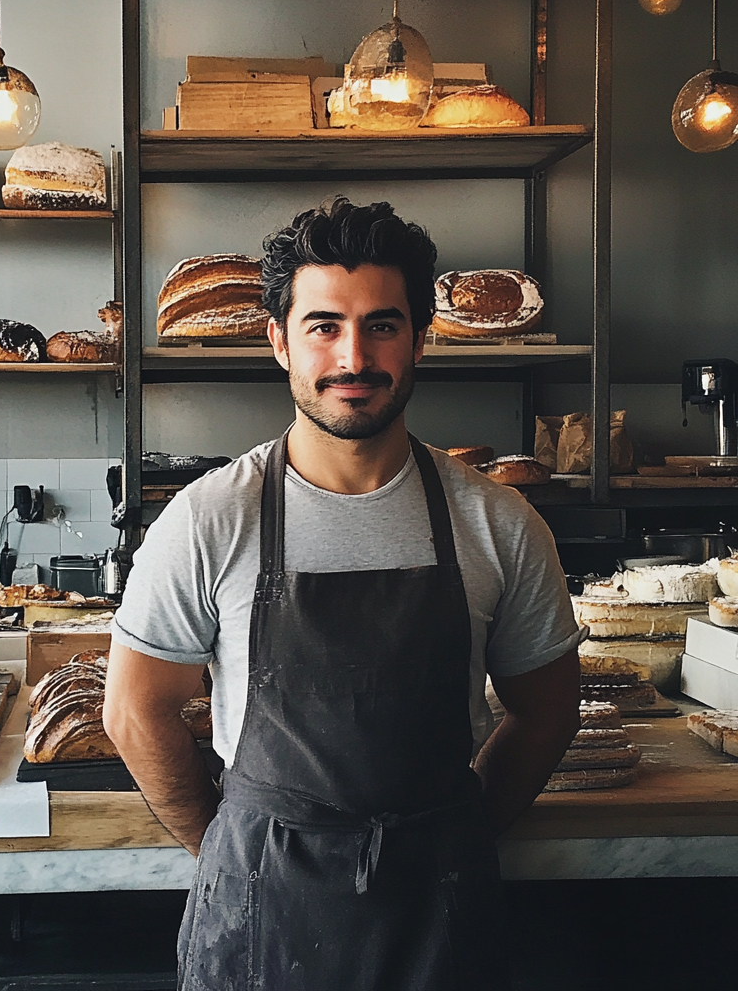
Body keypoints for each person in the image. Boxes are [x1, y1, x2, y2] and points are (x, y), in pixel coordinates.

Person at [103, 197, 581, 991]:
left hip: (441, 922)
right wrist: (234, 844)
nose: (352, 356)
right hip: (263, 918)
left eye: (382, 325)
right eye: (323, 325)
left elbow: (549, 707)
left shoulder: (497, 520)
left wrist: (456, 834)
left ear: (421, 339)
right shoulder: (210, 518)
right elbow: (133, 710)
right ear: (279, 342)